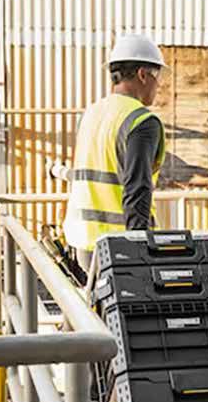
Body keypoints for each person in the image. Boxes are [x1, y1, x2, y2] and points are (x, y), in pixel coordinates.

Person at [62, 33, 168, 269]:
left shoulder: (91, 113)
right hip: (118, 247)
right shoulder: (141, 121)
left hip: (82, 241)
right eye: (157, 76)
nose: (158, 84)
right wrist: (138, 250)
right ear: (143, 74)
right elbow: (137, 190)